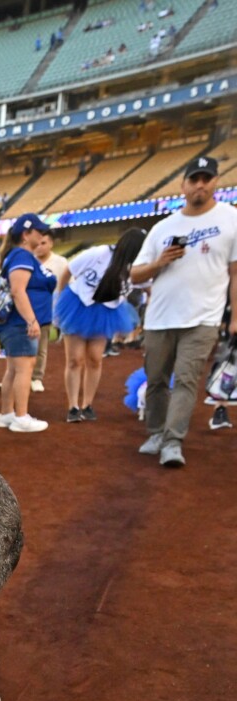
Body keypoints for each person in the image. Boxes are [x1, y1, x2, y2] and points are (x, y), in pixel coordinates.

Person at [130, 155, 237, 467]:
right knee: (157, 379)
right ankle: (155, 432)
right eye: (194, 179)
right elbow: (135, 274)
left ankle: (173, 440)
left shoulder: (230, 219)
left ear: (216, 181)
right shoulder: (164, 227)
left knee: (187, 379)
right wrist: (159, 262)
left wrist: (235, 319)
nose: (200, 184)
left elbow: (235, 273)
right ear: (183, 185)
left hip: (203, 317)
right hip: (160, 317)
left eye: (206, 178)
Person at [54, 229, 146, 422]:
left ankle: (87, 405)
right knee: (75, 359)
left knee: (95, 358)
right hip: (78, 305)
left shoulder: (134, 268)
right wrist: (60, 298)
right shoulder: (99, 253)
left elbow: (147, 284)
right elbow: (68, 271)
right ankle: (73, 406)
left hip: (105, 311)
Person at [0, 213, 55, 433]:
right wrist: (31, 320)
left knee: (14, 368)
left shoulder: (17, 255)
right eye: (39, 231)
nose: (43, 234)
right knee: (24, 369)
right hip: (19, 323)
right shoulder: (22, 256)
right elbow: (18, 291)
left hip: (13, 323)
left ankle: (6, 413)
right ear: (26, 235)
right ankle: (21, 416)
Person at [32, 232, 68, 393]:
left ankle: (36, 377)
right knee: (20, 348)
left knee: (41, 347)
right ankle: (19, 377)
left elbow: (67, 287)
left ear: (51, 243)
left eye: (43, 243)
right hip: (25, 311)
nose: (39, 247)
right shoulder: (28, 259)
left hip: (47, 311)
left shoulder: (60, 263)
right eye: (38, 243)